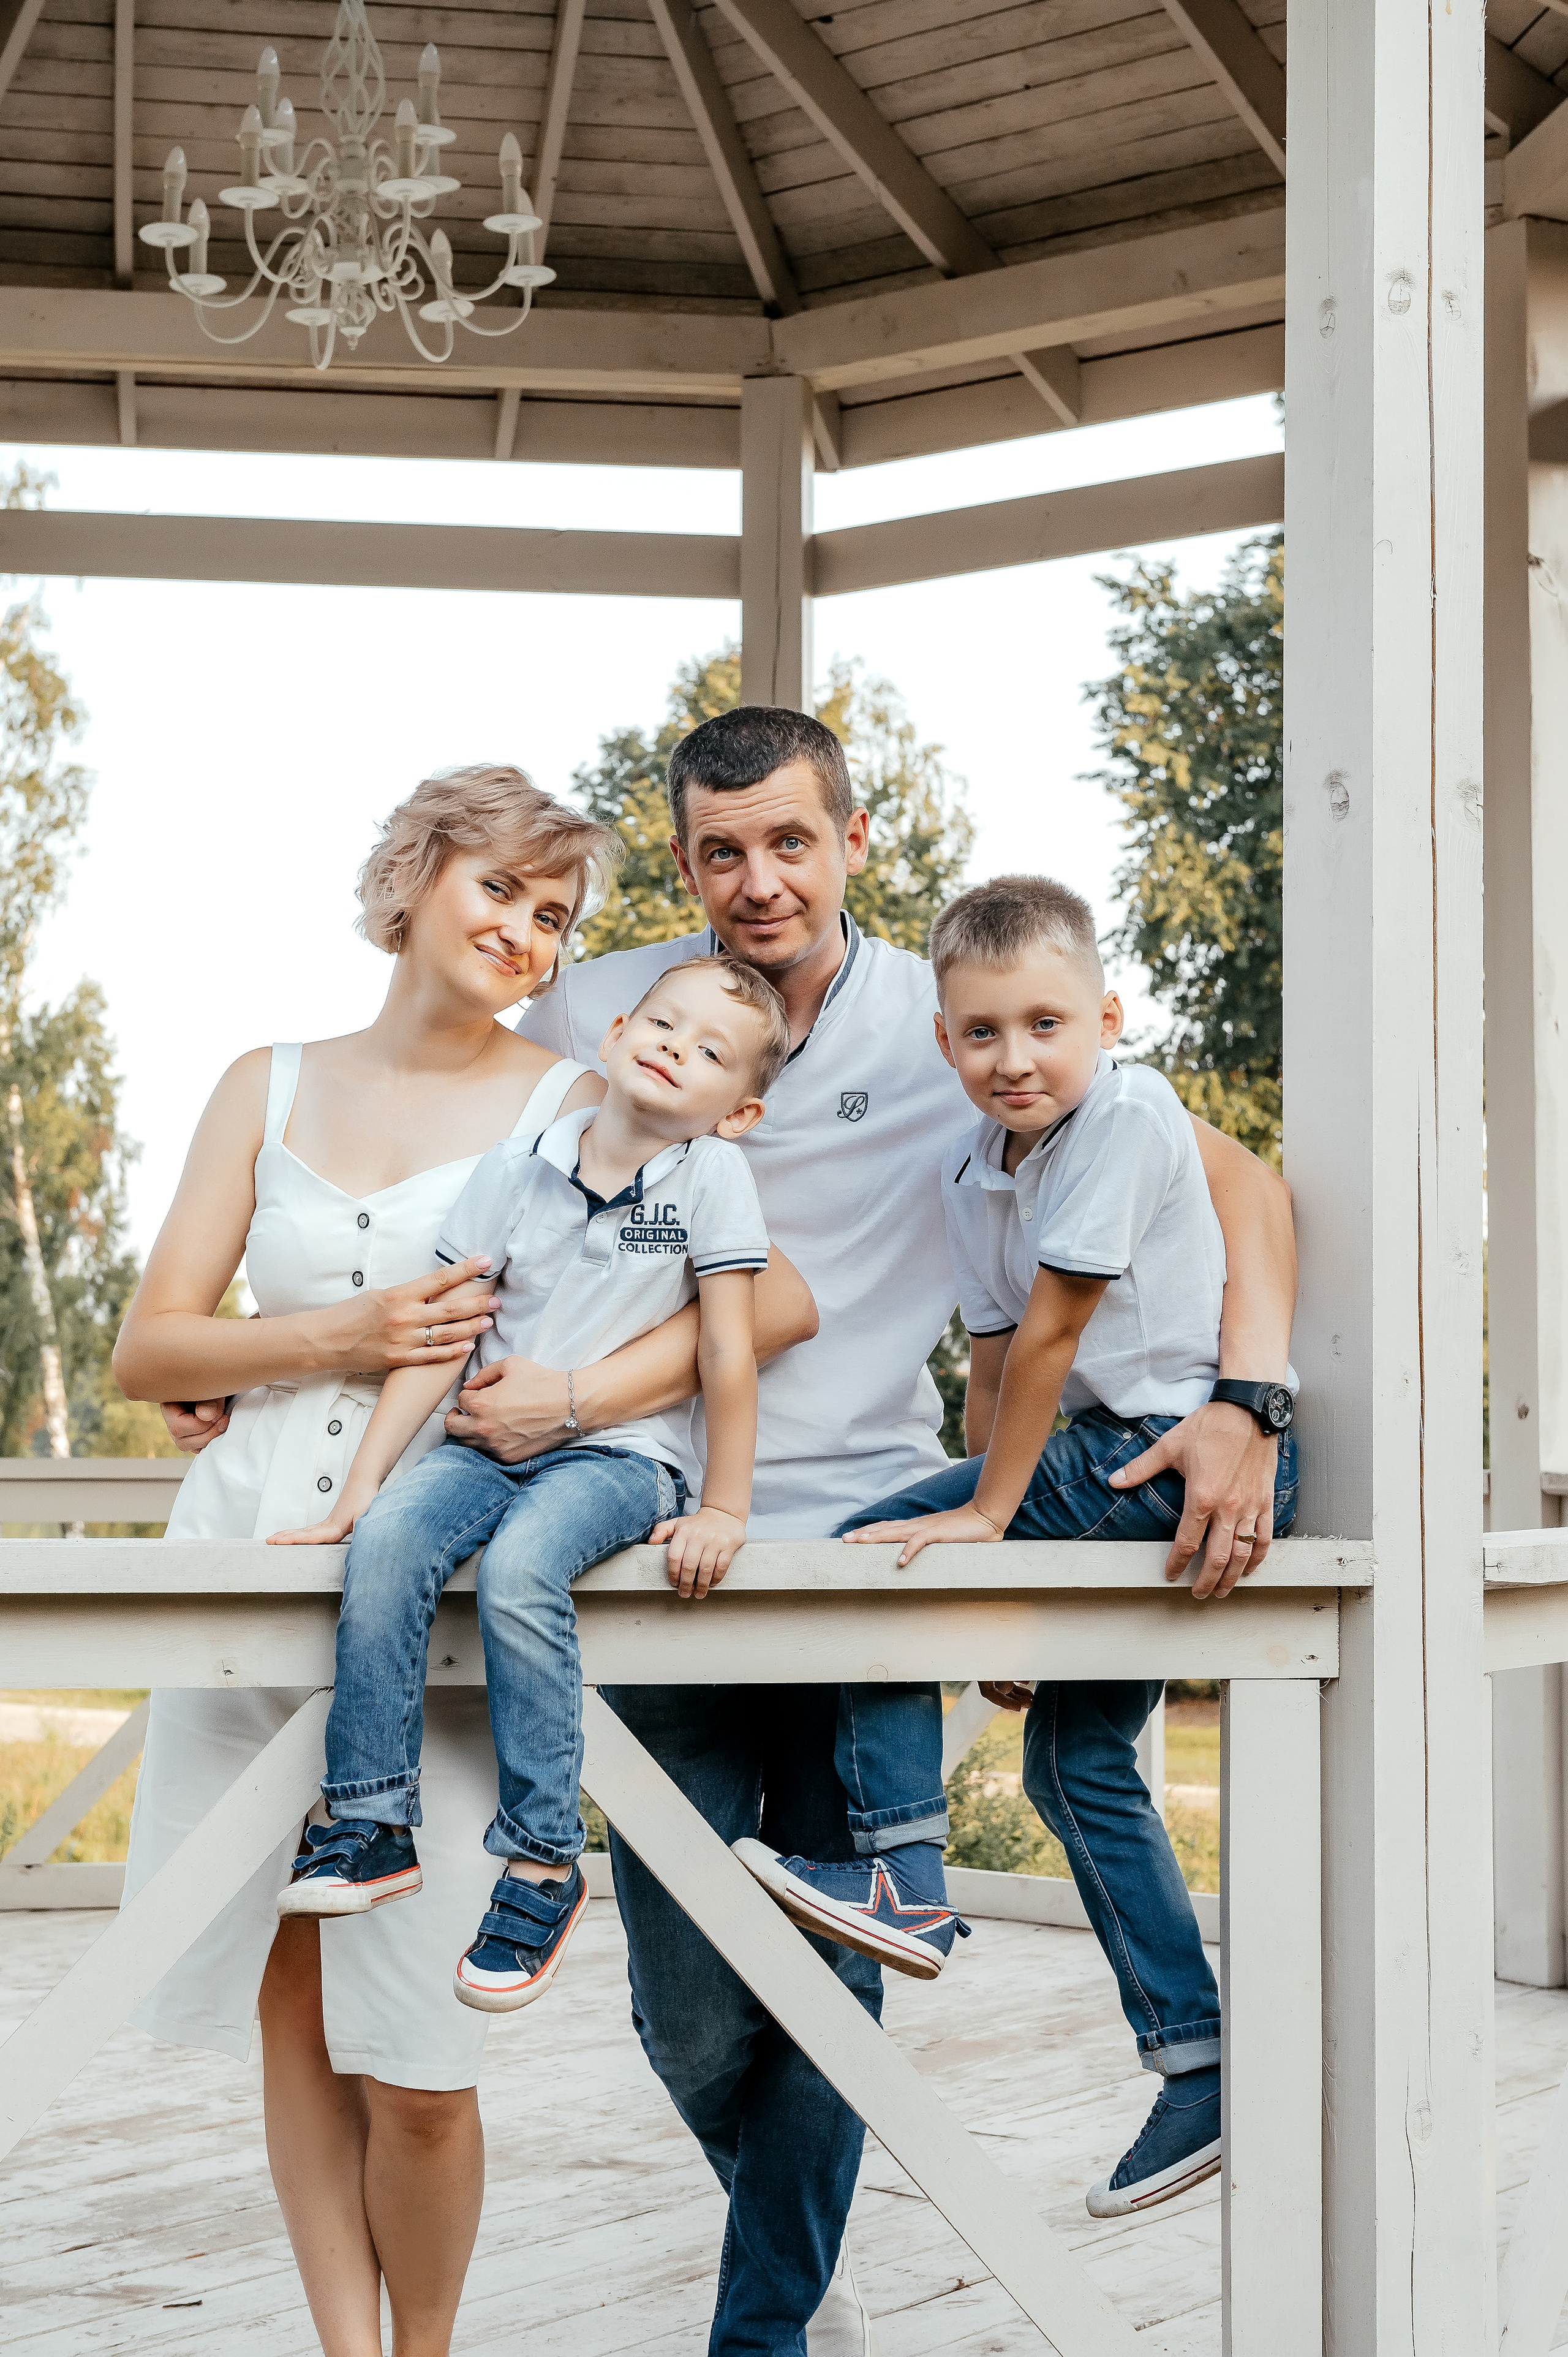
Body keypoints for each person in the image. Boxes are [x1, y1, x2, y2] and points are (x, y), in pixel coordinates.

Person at [450, 705, 1299, 2355]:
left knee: (833, 1973)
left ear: (850, 837)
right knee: (689, 2009)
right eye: (719, 848)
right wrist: (296, 1354)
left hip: (864, 1556)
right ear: (684, 856)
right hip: (645, 1549)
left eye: (789, 839)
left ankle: (761, 2330)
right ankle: (793, 2255)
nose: (756, 879)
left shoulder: (962, 1015)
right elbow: (430, 1146)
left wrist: (1245, 1404)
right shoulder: (604, 1004)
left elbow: (1237, 1186)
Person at [111, 765, 818, 2357]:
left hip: (447, 1554)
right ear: (417, 877)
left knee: (418, 2049)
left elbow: (768, 1306)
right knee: (292, 2003)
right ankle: (345, 2351)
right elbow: (153, 1348)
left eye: (555, 915)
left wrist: (574, 1396)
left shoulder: (575, 1096)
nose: (525, 931)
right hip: (251, 1548)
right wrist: (333, 1335)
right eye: (500, 889)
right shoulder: (262, 1082)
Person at [739, 872, 1298, 2218]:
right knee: (1074, 1760)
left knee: (872, 1548)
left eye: (1046, 1023)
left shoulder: (1124, 1115)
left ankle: (899, 1864)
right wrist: (997, 1593)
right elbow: (993, 1367)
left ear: (1106, 1016)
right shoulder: (969, 1167)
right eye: (981, 1032)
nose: (1014, 1058)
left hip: (1173, 1453)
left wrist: (985, 1528)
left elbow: (1055, 1334)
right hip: (1093, 1468)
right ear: (944, 1043)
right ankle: (1197, 2058)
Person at [268, 956, 790, 2021]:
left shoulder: (711, 1181)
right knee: (394, 1541)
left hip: (623, 1459)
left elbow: (728, 1354)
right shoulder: (514, 1169)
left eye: (706, 1052)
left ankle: (546, 1863)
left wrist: (726, 1507)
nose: (672, 1049)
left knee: (518, 1570)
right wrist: (360, 1488)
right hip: (479, 1444)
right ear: (613, 1035)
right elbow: (443, 1342)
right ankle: (370, 1820)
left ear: (737, 1111)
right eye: (662, 1024)